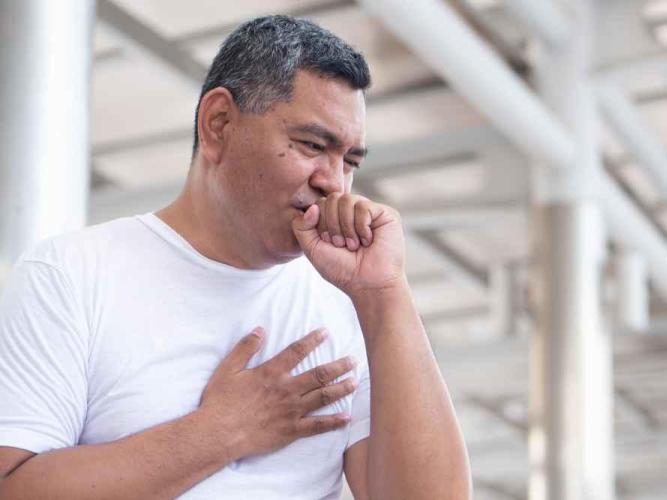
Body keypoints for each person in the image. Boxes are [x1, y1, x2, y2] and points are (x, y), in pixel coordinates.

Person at [0, 15, 471, 499]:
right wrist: (222, 431)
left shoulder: (350, 307)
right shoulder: (70, 275)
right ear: (219, 124)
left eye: (350, 161)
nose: (334, 182)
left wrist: (385, 294)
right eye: (312, 145)